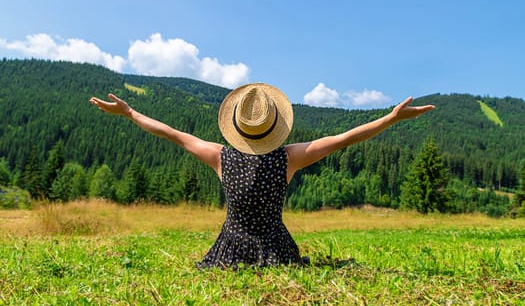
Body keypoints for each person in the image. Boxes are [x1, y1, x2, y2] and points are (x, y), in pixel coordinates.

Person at [90, 82, 434, 268]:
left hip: (228, 252)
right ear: (274, 126)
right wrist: (390, 118)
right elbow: (346, 138)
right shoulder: (289, 158)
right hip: (278, 252)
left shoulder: (220, 156)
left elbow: (171, 133)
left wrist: (130, 111)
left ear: (237, 126)